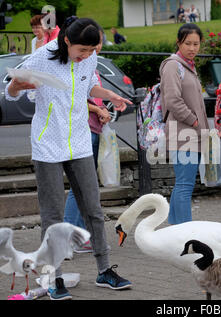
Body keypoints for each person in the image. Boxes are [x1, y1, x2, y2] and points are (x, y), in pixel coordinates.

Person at [5, 17, 132, 300]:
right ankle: (54, 279)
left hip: (79, 142)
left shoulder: (89, 58)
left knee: (94, 209)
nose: (86, 56)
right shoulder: (41, 58)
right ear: (66, 41)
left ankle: (103, 270)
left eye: (90, 51)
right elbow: (11, 91)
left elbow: (87, 87)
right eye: (81, 51)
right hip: (48, 145)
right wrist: (21, 86)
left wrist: (108, 93)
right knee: (52, 216)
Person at [63, 28, 111, 254]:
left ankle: (77, 235)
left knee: (83, 187)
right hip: (84, 127)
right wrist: (97, 108)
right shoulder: (80, 61)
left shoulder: (90, 60)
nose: (96, 48)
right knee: (80, 187)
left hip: (92, 126)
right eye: (93, 44)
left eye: (98, 43)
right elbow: (75, 96)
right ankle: (72, 237)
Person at [159, 23, 209, 224]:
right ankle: (186, 231)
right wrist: (194, 121)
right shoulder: (173, 65)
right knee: (185, 185)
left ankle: (173, 227)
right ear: (179, 42)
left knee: (183, 184)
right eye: (188, 43)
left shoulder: (188, 66)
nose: (192, 48)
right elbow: (172, 100)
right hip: (184, 133)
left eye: (196, 44)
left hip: (192, 133)